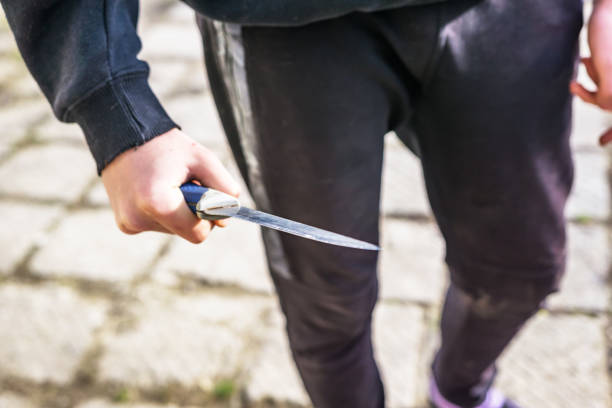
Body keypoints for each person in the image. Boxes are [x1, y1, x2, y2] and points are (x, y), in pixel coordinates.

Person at [2, 0, 611, 407]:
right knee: (327, 298)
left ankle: (459, 391)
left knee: (522, 267)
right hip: (280, 22)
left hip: (516, 13)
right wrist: (112, 105)